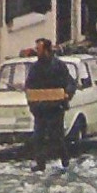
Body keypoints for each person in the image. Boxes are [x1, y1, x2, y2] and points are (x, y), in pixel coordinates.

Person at [23, 38, 75, 172]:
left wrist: (66, 94)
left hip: (56, 108)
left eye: (39, 49)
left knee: (56, 136)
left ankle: (65, 159)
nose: (37, 51)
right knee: (38, 137)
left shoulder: (58, 66)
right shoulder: (35, 68)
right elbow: (29, 87)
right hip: (40, 109)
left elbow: (70, 83)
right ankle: (40, 164)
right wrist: (33, 104)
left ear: (46, 50)